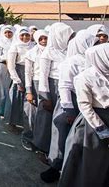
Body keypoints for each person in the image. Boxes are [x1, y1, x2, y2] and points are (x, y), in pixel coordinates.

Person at [40, 30, 96, 183]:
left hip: (88, 102)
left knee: (79, 139)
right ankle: (56, 167)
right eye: (94, 43)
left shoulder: (93, 59)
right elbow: (64, 86)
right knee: (63, 135)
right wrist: (69, 109)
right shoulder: (71, 62)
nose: (97, 46)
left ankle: (74, 170)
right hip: (70, 102)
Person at [58, 43, 109, 187]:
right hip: (95, 122)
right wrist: (103, 130)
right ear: (100, 59)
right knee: (92, 161)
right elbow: (85, 106)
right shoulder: (85, 77)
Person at [35, 23, 74, 153]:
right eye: (67, 36)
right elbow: (43, 75)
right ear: (59, 37)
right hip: (52, 87)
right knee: (47, 119)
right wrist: (45, 97)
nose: (70, 39)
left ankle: (57, 150)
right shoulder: (48, 52)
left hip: (66, 86)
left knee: (60, 121)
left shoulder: (70, 50)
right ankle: (43, 148)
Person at [23, 29, 48, 148]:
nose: (43, 41)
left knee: (44, 114)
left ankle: (41, 140)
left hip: (48, 84)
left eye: (46, 38)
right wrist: (29, 91)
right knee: (32, 113)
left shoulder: (53, 51)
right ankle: (28, 137)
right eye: (41, 38)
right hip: (35, 83)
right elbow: (28, 72)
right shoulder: (31, 53)